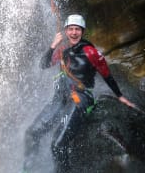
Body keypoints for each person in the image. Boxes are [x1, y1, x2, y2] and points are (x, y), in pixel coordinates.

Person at [23, 14, 135, 172]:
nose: (74, 33)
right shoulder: (62, 50)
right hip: (60, 99)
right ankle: (26, 169)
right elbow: (44, 64)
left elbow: (107, 75)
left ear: (82, 32)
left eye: (77, 29)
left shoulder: (91, 52)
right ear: (66, 31)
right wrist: (53, 45)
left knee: (58, 145)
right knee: (31, 134)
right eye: (70, 29)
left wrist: (120, 97)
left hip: (80, 98)